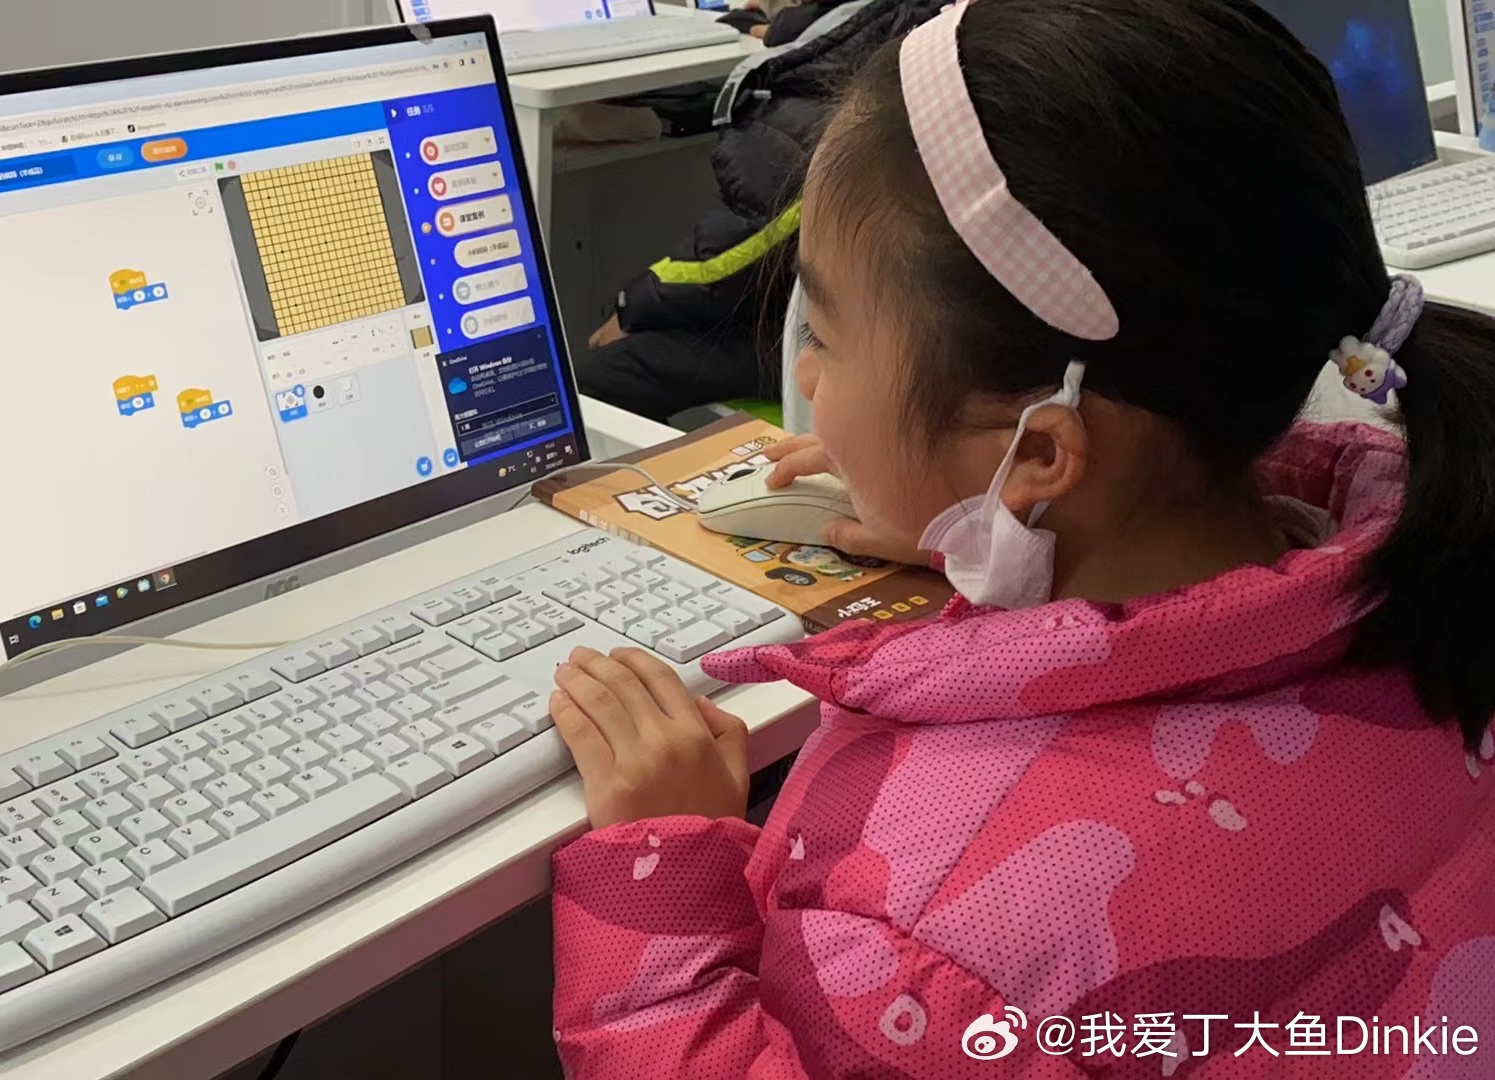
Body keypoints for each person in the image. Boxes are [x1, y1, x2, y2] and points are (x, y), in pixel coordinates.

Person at [544, 0, 1495, 1075]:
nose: (803, 375)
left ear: (1041, 450)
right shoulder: (1430, 574)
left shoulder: (936, 938)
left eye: (826, 336)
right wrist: (984, 517)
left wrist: (663, 884)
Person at [572, 0, 944, 422]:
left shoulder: (859, 74)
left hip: (853, 337)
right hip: (891, 319)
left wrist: (635, 306)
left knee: (605, 378)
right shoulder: (917, 29)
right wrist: (764, 27)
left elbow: (742, 245)